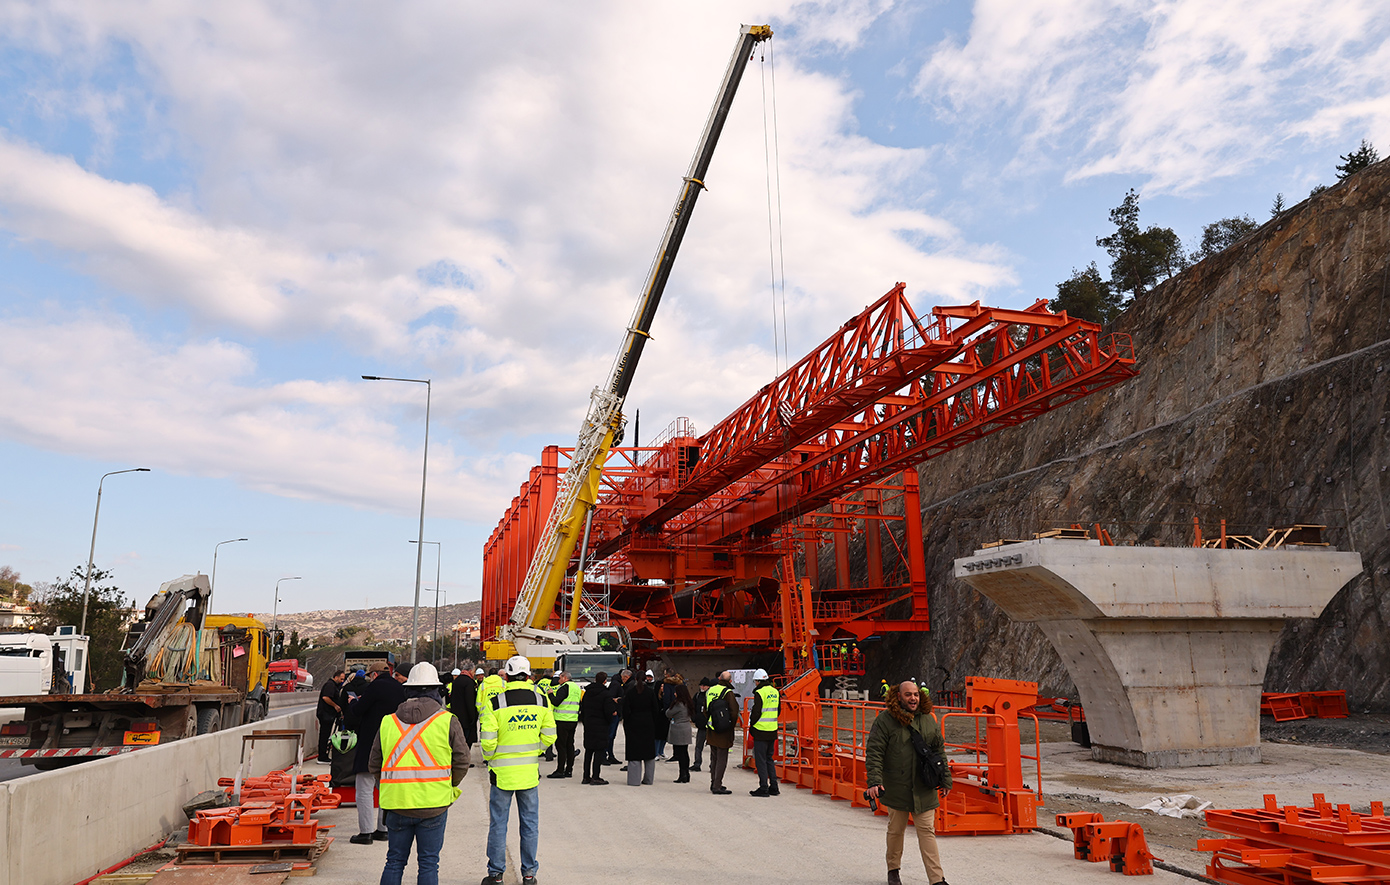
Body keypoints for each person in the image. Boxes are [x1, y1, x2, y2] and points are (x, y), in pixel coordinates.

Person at [369, 662, 469, 885]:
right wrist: (448, 785)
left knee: (394, 861)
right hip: (433, 804)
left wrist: (390, 785)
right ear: (436, 690)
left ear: (408, 689)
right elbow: (462, 760)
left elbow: (374, 764)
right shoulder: (447, 720)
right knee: (428, 863)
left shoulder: (388, 722)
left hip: (397, 803)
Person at [866, 682, 953, 885]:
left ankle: (937, 879)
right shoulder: (885, 721)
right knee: (896, 831)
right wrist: (874, 781)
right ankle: (893, 870)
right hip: (897, 787)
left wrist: (946, 778)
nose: (913, 698)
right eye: (908, 695)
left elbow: (939, 750)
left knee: (927, 832)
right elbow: (874, 752)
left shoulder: (928, 720)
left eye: (916, 694)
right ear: (898, 697)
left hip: (924, 786)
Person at [480, 656, 556, 885]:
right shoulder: (542, 701)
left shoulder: (495, 702)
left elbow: (487, 740)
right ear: (529, 675)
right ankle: (530, 874)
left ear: (508, 676)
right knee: (530, 825)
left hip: (502, 774)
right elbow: (550, 735)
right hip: (529, 774)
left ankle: (495, 875)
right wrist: (535, 751)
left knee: (498, 824)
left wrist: (491, 758)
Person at [349, 661, 406, 844]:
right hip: (393, 743)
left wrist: (354, 702)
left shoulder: (374, 687)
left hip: (371, 742)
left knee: (364, 787)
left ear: (373, 675)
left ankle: (365, 832)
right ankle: (383, 829)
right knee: (385, 787)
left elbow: (358, 711)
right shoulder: (400, 689)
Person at [703, 670, 739, 795]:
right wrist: (730, 726)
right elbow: (734, 712)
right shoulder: (728, 693)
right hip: (723, 730)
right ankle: (717, 786)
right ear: (730, 681)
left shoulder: (710, 691)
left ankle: (714, 783)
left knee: (714, 758)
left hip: (712, 728)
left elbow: (706, 710)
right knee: (722, 759)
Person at [579, 671, 617, 785]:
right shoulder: (606, 694)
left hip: (589, 725)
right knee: (599, 752)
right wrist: (609, 720)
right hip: (601, 726)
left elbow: (583, 709)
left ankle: (586, 777)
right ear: (605, 681)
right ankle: (596, 776)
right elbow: (609, 711)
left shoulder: (587, 693)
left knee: (588, 751)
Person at [748, 668, 781, 796]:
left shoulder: (760, 693)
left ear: (757, 681)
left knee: (760, 760)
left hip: (761, 730)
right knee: (769, 759)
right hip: (772, 730)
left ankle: (763, 788)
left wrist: (752, 725)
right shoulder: (775, 691)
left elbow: (756, 712)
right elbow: (778, 710)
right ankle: (774, 786)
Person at [621, 672, 658, 786]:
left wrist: (627, 722)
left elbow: (626, 711)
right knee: (649, 753)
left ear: (635, 679)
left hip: (633, 724)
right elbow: (655, 709)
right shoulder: (650, 692)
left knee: (634, 752)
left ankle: (634, 780)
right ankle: (648, 779)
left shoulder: (631, 693)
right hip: (648, 724)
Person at [546, 671, 581, 778]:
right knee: (570, 745)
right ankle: (569, 770)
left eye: (560, 678)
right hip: (573, 720)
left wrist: (550, 694)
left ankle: (560, 770)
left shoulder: (564, 687)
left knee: (561, 746)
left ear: (565, 678)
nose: (558, 680)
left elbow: (556, 702)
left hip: (562, 720)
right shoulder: (576, 688)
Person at [664, 682, 694, 783]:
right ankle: (686, 774)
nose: (674, 694)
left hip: (678, 729)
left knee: (680, 753)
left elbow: (668, 713)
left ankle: (682, 775)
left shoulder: (678, 704)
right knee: (684, 752)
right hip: (686, 727)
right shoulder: (688, 703)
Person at [316, 669, 346, 762]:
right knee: (324, 735)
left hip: (328, 714)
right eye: (341, 679)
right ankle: (322, 756)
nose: (342, 681)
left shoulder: (333, 686)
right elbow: (326, 697)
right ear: (335, 677)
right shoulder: (330, 685)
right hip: (325, 714)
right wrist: (335, 706)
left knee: (326, 734)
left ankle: (323, 754)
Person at [448, 666, 479, 751]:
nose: (474, 674)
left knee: (458, 740)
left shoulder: (456, 681)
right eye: (474, 671)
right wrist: (473, 716)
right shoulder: (469, 682)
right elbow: (469, 700)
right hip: (466, 718)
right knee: (466, 740)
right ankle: (465, 760)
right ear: (470, 670)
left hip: (456, 715)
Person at [605, 669, 631, 764]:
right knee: (610, 735)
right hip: (614, 713)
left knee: (611, 735)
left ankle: (609, 755)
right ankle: (606, 755)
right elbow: (610, 697)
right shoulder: (616, 684)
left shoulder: (617, 683)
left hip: (616, 712)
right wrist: (614, 709)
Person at [691, 677, 710, 772]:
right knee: (698, 746)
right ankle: (697, 763)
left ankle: (712, 765)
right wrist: (694, 718)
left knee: (713, 748)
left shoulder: (711, 695)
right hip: (701, 725)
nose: (702, 687)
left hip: (710, 725)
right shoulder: (697, 695)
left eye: (704, 685)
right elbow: (692, 707)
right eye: (701, 685)